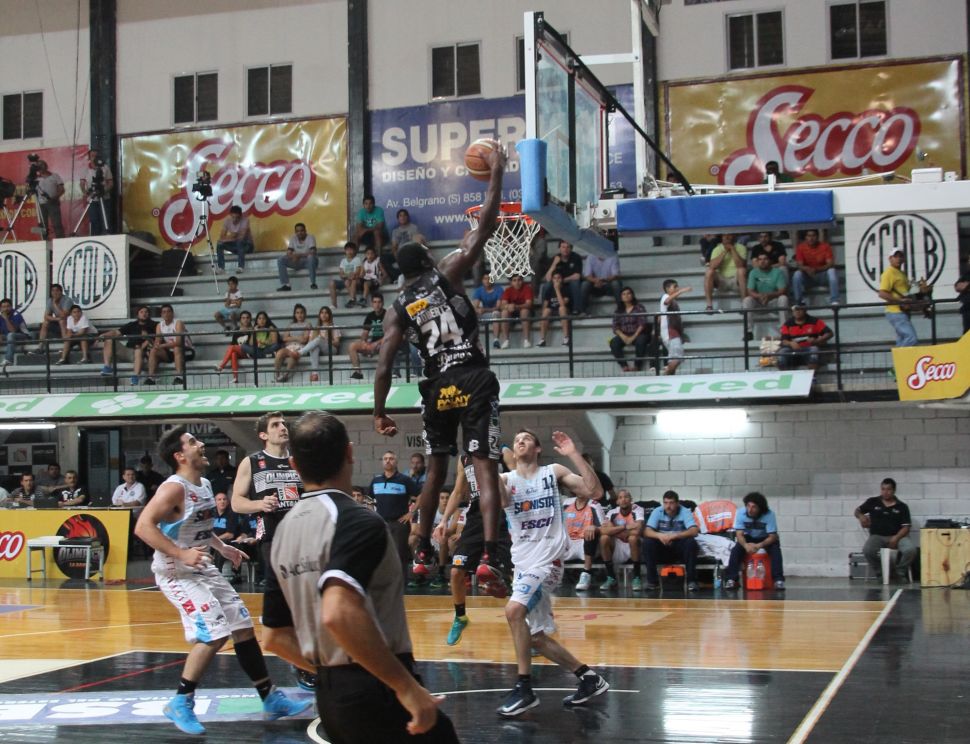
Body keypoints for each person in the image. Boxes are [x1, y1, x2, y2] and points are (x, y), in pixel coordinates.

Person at [260, 411, 460, 743]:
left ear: (294, 465)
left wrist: (332, 674)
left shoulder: (282, 532)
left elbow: (274, 637)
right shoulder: (358, 520)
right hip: (379, 690)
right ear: (350, 453)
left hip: (331, 697)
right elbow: (338, 611)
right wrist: (405, 687)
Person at [372, 142, 509, 598]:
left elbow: (384, 364)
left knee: (435, 471)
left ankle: (424, 555)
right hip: (472, 376)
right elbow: (484, 225)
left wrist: (379, 411)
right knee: (483, 466)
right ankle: (490, 555)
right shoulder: (447, 271)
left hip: (435, 388)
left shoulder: (396, 309)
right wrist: (497, 171)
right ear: (428, 260)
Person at [134, 427, 310, 736]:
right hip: (176, 571)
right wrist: (181, 553)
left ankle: (270, 698)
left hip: (202, 566)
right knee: (214, 633)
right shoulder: (172, 488)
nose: (201, 444)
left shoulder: (203, 484)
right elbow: (143, 527)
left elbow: (199, 527)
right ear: (180, 455)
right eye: (193, 442)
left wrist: (222, 547)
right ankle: (181, 701)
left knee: (242, 627)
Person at [497, 429, 608, 716]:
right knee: (534, 636)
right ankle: (589, 678)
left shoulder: (553, 472)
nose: (520, 440)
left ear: (537, 448)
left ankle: (524, 689)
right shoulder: (506, 480)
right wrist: (484, 461)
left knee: (513, 611)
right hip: (523, 565)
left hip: (549, 563)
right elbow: (498, 500)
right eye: (517, 439)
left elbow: (595, 492)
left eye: (526, 438)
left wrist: (573, 454)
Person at [230, 411, 316, 690]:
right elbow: (236, 502)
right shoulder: (252, 462)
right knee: (286, 602)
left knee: (308, 601)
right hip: (273, 539)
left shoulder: (299, 459)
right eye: (276, 425)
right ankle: (299, 661)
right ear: (263, 435)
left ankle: (311, 657)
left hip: (305, 536)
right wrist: (258, 504)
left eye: (284, 424)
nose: (283, 428)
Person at [434, 446, 515, 646]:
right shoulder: (464, 459)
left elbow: (519, 479)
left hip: (500, 512)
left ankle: (532, 628)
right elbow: (458, 491)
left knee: (515, 572)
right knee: (456, 571)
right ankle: (460, 617)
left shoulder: (502, 451)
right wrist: (443, 520)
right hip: (476, 516)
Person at [855, 477, 918, 582]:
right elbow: (857, 511)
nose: (885, 492)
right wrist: (861, 516)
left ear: (894, 490)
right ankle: (881, 573)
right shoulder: (872, 501)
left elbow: (906, 527)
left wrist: (896, 538)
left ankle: (899, 572)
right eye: (883, 489)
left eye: (888, 489)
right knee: (868, 550)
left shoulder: (902, 506)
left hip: (898, 536)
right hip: (877, 536)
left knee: (911, 550)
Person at [369, 451, 420, 575]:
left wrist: (411, 512)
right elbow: (369, 498)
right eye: (385, 458)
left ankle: (402, 583)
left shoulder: (404, 480)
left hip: (399, 524)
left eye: (391, 458)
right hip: (381, 524)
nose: (388, 461)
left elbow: (421, 495)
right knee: (381, 555)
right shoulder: (376, 481)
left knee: (399, 556)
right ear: (382, 462)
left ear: (396, 462)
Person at [723, 492, 785, 590]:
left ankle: (778, 580)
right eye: (748, 506)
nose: (750, 510)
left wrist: (758, 545)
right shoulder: (741, 513)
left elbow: (772, 536)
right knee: (735, 550)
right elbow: (739, 534)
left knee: (776, 551)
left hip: (765, 538)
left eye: (754, 507)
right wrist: (746, 545)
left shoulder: (769, 514)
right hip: (748, 537)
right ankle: (731, 580)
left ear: (760, 508)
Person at [643, 490, 700, 592]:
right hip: (662, 545)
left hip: (679, 545)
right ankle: (652, 582)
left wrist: (675, 536)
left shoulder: (685, 511)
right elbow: (647, 531)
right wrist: (659, 535)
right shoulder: (657, 511)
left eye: (671, 503)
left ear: (677, 503)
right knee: (647, 542)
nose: (668, 506)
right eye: (665, 503)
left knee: (691, 543)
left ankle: (692, 581)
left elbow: (694, 531)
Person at [599, 489, 646, 592]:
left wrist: (614, 530)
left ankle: (636, 577)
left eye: (626, 497)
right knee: (604, 538)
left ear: (631, 499)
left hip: (632, 545)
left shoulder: (638, 510)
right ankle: (611, 577)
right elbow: (603, 530)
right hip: (617, 545)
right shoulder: (612, 512)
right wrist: (625, 527)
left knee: (633, 538)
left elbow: (637, 530)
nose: (623, 499)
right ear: (617, 501)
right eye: (620, 497)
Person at [563, 488, 606, 592]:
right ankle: (553, 575)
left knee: (589, 532)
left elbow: (604, 527)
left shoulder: (595, 505)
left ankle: (586, 573)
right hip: (568, 542)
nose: (580, 490)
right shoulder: (566, 503)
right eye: (578, 487)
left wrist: (595, 527)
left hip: (585, 543)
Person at [99, 305, 155, 379]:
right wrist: (104, 335)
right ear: (137, 314)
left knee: (138, 350)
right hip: (128, 351)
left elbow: (156, 340)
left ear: (149, 314)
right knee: (109, 340)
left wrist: (147, 337)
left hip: (143, 353)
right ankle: (107, 367)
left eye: (146, 312)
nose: (144, 314)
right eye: (141, 312)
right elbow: (116, 332)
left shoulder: (154, 325)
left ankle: (135, 377)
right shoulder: (131, 325)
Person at [878, 249, 920, 347]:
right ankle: (901, 356)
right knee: (911, 338)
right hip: (895, 311)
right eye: (895, 256)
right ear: (890, 259)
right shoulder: (888, 273)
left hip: (902, 311)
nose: (898, 259)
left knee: (902, 339)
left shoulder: (901, 273)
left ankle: (898, 356)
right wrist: (900, 300)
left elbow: (905, 291)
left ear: (904, 259)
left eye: (900, 256)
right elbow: (882, 293)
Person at [742, 252, 790, 335]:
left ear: (770, 261)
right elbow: (750, 291)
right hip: (759, 302)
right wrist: (760, 296)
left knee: (783, 298)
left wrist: (769, 295)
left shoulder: (777, 272)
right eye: (760, 259)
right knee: (747, 300)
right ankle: (748, 331)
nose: (762, 261)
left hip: (773, 302)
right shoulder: (753, 272)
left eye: (765, 259)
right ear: (757, 262)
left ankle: (784, 330)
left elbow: (782, 290)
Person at [777, 303, 833, 370]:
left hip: (809, 349)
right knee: (782, 352)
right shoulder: (788, 323)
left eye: (799, 309)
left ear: (805, 310)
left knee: (814, 350)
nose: (797, 312)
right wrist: (790, 343)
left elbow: (829, 333)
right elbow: (784, 340)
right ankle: (785, 375)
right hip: (793, 350)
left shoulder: (815, 321)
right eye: (795, 310)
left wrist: (817, 340)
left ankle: (812, 375)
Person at [792, 229, 839, 306]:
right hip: (808, 277)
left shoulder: (825, 246)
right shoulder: (801, 247)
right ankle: (799, 302)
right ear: (806, 237)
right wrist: (807, 269)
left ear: (817, 237)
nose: (811, 238)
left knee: (832, 271)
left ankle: (834, 300)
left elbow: (830, 263)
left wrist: (817, 269)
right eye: (809, 236)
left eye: (813, 235)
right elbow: (799, 265)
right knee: (797, 274)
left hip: (822, 275)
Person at [610, 286, 650, 372]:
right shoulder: (618, 310)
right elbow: (615, 326)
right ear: (621, 297)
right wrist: (623, 337)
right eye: (624, 294)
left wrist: (633, 337)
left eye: (628, 293)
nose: (626, 296)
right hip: (624, 334)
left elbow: (642, 324)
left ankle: (637, 365)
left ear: (632, 295)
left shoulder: (639, 307)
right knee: (613, 343)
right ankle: (624, 365)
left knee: (641, 341)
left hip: (638, 334)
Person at [704, 234, 748, 312]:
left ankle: (744, 304)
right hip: (721, 281)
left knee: (741, 270)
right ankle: (709, 306)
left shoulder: (741, 248)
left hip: (736, 281)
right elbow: (712, 266)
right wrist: (725, 251)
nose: (726, 237)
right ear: (722, 237)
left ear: (734, 236)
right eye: (724, 235)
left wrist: (732, 249)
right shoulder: (717, 249)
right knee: (709, 271)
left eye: (729, 235)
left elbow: (741, 265)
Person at [298, 306, 342, 383]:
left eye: (326, 313)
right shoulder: (315, 329)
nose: (324, 315)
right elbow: (310, 343)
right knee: (315, 347)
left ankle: (299, 352)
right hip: (318, 349)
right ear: (319, 315)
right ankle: (315, 374)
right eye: (322, 313)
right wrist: (319, 340)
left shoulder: (334, 327)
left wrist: (325, 340)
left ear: (329, 315)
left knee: (318, 339)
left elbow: (337, 343)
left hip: (331, 349)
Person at [541, 241, 585, 315]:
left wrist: (562, 280)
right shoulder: (555, 258)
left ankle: (577, 309)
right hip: (558, 282)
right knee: (546, 285)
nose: (565, 249)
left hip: (568, 283)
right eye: (563, 247)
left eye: (568, 247)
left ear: (571, 249)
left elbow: (577, 276)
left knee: (575, 283)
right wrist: (554, 264)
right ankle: (544, 310)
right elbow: (548, 278)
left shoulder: (576, 257)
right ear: (559, 248)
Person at [349, 293, 386, 380]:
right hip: (373, 343)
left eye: (379, 302)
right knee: (352, 346)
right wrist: (364, 342)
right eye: (375, 302)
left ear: (383, 303)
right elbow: (365, 333)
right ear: (372, 304)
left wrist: (376, 344)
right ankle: (357, 372)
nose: (377, 305)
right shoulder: (370, 315)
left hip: (384, 343)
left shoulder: (387, 315)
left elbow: (390, 335)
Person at [273, 303, 312, 383]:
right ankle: (277, 375)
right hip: (289, 347)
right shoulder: (291, 324)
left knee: (293, 356)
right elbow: (284, 338)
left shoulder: (307, 324)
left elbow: (304, 340)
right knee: (280, 353)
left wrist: (291, 338)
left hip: (300, 347)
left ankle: (285, 376)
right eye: (297, 313)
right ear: (295, 314)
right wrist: (297, 338)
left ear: (304, 314)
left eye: (301, 312)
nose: (299, 315)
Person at [659, 279, 691, 376]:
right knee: (677, 357)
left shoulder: (673, 301)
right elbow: (667, 301)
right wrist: (681, 291)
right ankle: (666, 373)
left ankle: (669, 374)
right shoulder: (665, 296)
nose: (677, 288)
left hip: (673, 332)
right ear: (667, 289)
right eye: (675, 287)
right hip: (670, 332)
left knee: (674, 357)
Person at [79, 148, 113, 235]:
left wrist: (104, 191)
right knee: (94, 220)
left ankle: (106, 237)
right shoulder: (85, 168)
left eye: (96, 156)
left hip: (104, 198)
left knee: (105, 220)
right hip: (92, 198)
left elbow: (110, 183)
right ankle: (95, 237)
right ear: (89, 157)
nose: (94, 157)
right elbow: (82, 184)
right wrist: (85, 192)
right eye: (92, 156)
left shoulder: (105, 167)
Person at [277, 222, 319, 291]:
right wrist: (292, 257)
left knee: (310, 257)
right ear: (295, 232)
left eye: (302, 231)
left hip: (309, 262)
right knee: (281, 259)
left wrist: (298, 255)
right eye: (297, 231)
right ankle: (286, 285)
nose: (299, 233)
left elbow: (312, 252)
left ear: (305, 231)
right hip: (298, 262)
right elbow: (288, 252)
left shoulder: (310, 237)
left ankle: (313, 283)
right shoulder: (293, 238)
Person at [215, 309, 254, 383]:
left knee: (232, 347)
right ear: (240, 320)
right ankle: (235, 378)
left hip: (249, 353)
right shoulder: (237, 330)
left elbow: (252, 345)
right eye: (243, 318)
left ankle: (221, 367)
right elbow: (233, 342)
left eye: (247, 318)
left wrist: (252, 332)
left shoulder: (254, 329)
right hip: (240, 352)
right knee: (233, 353)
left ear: (250, 319)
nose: (245, 320)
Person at [496, 273, 534, 349]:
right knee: (504, 312)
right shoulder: (508, 290)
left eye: (519, 280)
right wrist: (508, 306)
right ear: (511, 282)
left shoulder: (527, 289)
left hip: (527, 313)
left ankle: (526, 340)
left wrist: (516, 306)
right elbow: (502, 305)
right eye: (514, 280)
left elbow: (528, 304)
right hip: (513, 312)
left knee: (524, 311)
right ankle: (506, 340)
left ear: (522, 281)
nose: (517, 282)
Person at [385, 209, 424, 282]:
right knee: (384, 258)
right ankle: (396, 277)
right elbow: (394, 246)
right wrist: (397, 258)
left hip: (410, 252)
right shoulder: (395, 231)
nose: (402, 217)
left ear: (407, 217)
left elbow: (417, 242)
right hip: (400, 253)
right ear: (398, 219)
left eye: (404, 215)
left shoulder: (413, 228)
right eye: (400, 216)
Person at [580, 251, 622, 315]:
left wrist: (603, 280)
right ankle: (583, 311)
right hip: (595, 286)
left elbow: (615, 275)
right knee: (585, 284)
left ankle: (621, 309)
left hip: (608, 285)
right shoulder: (591, 256)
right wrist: (595, 281)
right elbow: (587, 275)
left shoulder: (613, 256)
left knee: (615, 283)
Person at [36, 284, 75, 353]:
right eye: (53, 291)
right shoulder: (50, 300)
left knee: (62, 321)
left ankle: (66, 346)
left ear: (61, 292)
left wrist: (55, 304)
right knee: (45, 322)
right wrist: (57, 319)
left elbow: (64, 315)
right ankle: (40, 347)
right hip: (59, 321)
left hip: (69, 324)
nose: (55, 293)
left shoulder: (67, 300)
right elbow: (46, 316)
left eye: (57, 290)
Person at [216, 205, 253, 273]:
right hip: (236, 247)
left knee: (239, 242)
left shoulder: (245, 220)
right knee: (219, 244)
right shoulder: (227, 221)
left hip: (247, 246)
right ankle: (221, 268)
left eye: (237, 217)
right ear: (230, 215)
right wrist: (233, 236)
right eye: (233, 217)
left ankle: (240, 267)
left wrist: (230, 237)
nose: (235, 219)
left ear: (241, 216)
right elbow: (221, 237)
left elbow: (242, 237)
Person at [537, 271, 570, 348]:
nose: (557, 280)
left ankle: (566, 338)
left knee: (562, 308)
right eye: (555, 278)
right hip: (552, 311)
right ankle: (542, 339)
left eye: (558, 278)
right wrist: (543, 315)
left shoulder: (566, 289)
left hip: (563, 311)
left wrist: (557, 290)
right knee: (546, 311)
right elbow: (545, 305)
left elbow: (563, 304)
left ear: (562, 279)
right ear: (552, 280)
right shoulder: (549, 290)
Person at [34, 160, 65, 238]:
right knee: (42, 225)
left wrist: (55, 197)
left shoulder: (55, 176)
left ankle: (60, 240)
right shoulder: (35, 179)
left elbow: (61, 189)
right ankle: (44, 241)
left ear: (46, 166)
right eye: (38, 166)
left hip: (53, 202)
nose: (40, 167)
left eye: (42, 165)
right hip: (40, 204)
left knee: (57, 224)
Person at [0, 297, 31, 373]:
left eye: (8, 306)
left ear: (11, 307)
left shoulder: (16, 314)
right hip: (9, 337)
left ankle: (8, 360)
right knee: (9, 336)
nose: (6, 309)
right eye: (3, 307)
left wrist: (6, 318)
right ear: (0, 308)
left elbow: (13, 331)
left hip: (23, 336)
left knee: (10, 335)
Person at [330, 241, 364, 308]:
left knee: (349, 281)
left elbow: (357, 272)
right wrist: (348, 276)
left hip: (355, 280)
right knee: (332, 283)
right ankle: (334, 304)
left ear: (355, 251)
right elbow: (341, 274)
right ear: (345, 251)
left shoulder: (357, 259)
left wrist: (348, 276)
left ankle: (353, 299)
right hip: (346, 279)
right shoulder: (343, 261)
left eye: (351, 250)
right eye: (347, 250)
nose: (349, 252)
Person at [955, 253, 970, 334]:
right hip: (967, 308)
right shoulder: (967, 274)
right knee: (967, 332)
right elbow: (957, 286)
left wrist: (966, 285)